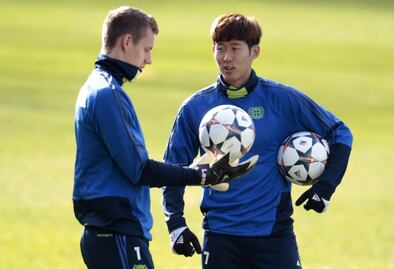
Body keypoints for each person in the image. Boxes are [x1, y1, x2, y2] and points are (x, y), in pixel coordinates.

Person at [162, 13, 353, 268]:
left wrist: (325, 187)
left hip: (274, 235)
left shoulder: (282, 100)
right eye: (220, 49)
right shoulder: (195, 108)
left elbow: (340, 132)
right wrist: (175, 225)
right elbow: (173, 168)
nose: (226, 58)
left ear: (255, 52)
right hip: (220, 236)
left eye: (235, 49)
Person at [73, 7, 257, 269]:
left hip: (108, 230)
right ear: (127, 41)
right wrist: (201, 176)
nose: (148, 60)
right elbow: (140, 170)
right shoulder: (107, 94)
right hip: (115, 230)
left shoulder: (94, 87)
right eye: (147, 49)